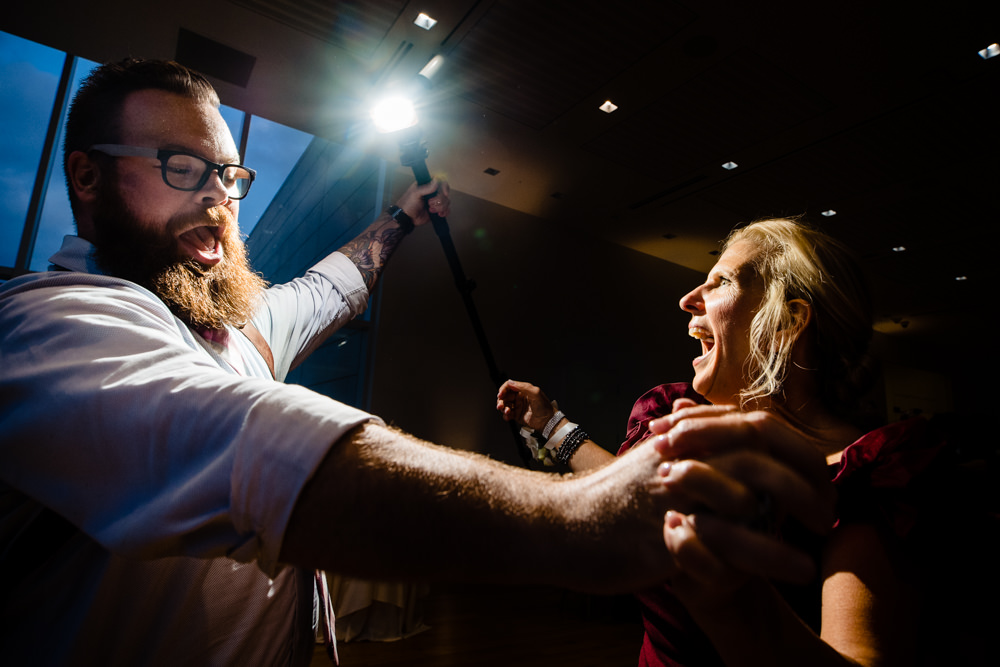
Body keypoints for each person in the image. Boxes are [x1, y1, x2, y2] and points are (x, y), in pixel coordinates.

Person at [0, 60, 834, 666]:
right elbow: (249, 445)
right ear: (86, 177)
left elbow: (332, 286)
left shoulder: (238, 329)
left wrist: (401, 217)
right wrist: (576, 519)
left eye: (227, 175)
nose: (216, 200)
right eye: (181, 168)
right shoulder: (47, 329)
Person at [498, 218, 975, 665]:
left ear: (789, 321)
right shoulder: (672, 412)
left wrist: (730, 596)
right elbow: (623, 494)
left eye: (721, 282)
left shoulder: (877, 473)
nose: (687, 298)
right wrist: (551, 425)